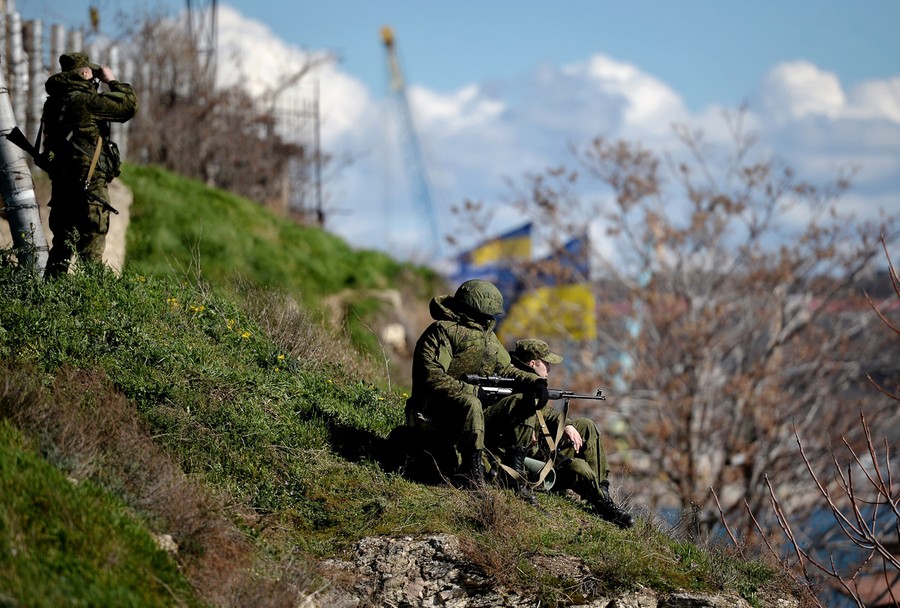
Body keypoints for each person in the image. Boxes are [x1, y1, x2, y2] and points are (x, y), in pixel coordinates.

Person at [404, 279, 549, 488]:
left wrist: (535, 382)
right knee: (471, 402)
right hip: (436, 412)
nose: (488, 318)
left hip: (477, 413)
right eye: (485, 313)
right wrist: (473, 391)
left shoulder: (488, 338)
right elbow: (432, 376)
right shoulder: (442, 331)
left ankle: (514, 476)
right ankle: (472, 475)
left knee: (522, 401)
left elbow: (506, 369)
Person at [496, 338, 634, 529]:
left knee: (586, 425)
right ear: (532, 363)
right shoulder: (510, 388)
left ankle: (602, 493)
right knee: (580, 468)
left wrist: (567, 425)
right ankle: (602, 505)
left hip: (545, 454)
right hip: (533, 466)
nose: (549, 369)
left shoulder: (532, 387)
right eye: (546, 364)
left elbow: (547, 414)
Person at [41, 51, 138, 278]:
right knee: (91, 254)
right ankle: (91, 306)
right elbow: (129, 106)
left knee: (61, 250)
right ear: (85, 73)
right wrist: (111, 80)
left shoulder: (53, 105)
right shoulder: (87, 101)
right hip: (90, 187)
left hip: (63, 185)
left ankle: (47, 301)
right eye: (91, 74)